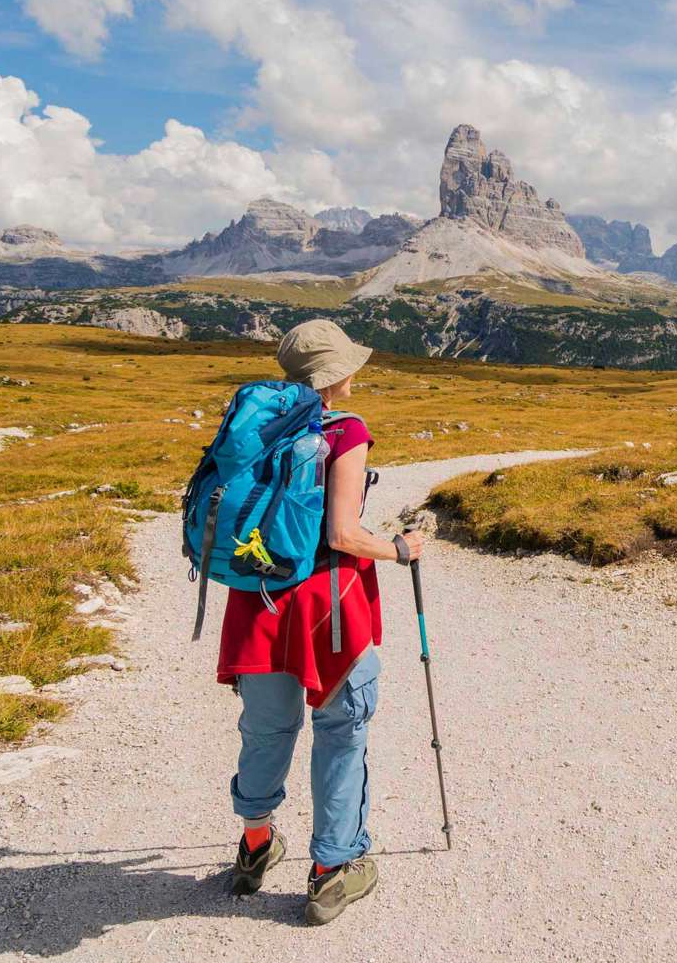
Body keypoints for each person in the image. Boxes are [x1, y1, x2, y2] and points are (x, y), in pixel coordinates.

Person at [216, 319, 424, 926]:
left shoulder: (260, 426)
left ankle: (255, 846)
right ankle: (333, 870)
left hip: (257, 597)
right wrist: (401, 547)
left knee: (265, 729)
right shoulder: (345, 430)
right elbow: (341, 535)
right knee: (341, 728)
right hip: (323, 604)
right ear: (337, 375)